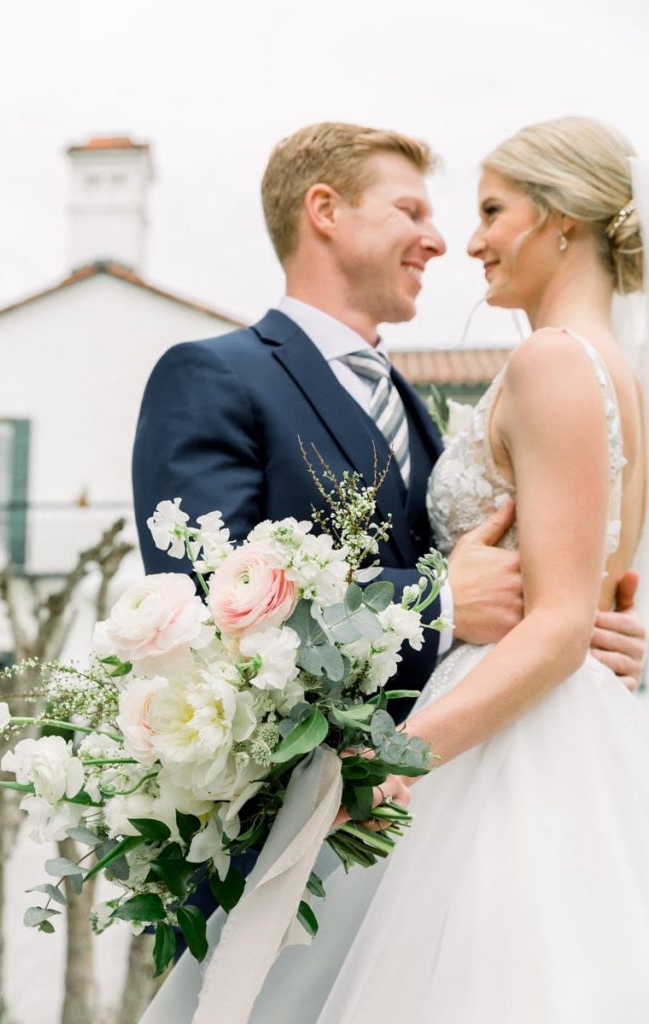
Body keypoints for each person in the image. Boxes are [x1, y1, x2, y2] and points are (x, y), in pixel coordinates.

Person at [133, 121, 648, 1023]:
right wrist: (449, 603)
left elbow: (555, 600)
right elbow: (205, 610)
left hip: (450, 775)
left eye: (484, 211)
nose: (451, 239)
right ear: (323, 212)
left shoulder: (507, 378)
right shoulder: (212, 376)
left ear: (561, 222)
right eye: (414, 209)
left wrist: (581, 624)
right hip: (322, 800)